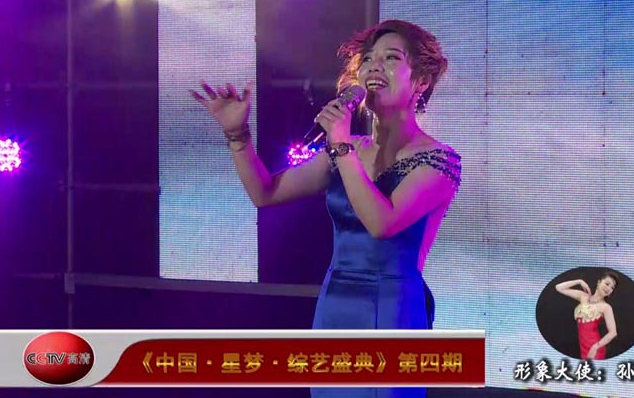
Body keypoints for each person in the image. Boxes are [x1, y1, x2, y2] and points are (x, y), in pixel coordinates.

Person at [191, 20, 461, 398]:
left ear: (421, 81)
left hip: (393, 310)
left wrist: (341, 146)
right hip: (335, 306)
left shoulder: (440, 160)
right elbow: (265, 193)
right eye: (367, 59)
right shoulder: (345, 150)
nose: (374, 66)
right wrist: (238, 135)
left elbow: (381, 223)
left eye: (390, 58)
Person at [555, 271, 619, 360]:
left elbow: (613, 333)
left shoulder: (606, 307)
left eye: (612, 288)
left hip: (595, 349)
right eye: (607, 284)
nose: (608, 288)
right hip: (582, 346)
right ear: (599, 282)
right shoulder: (583, 296)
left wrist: (596, 347)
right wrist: (580, 281)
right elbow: (559, 287)